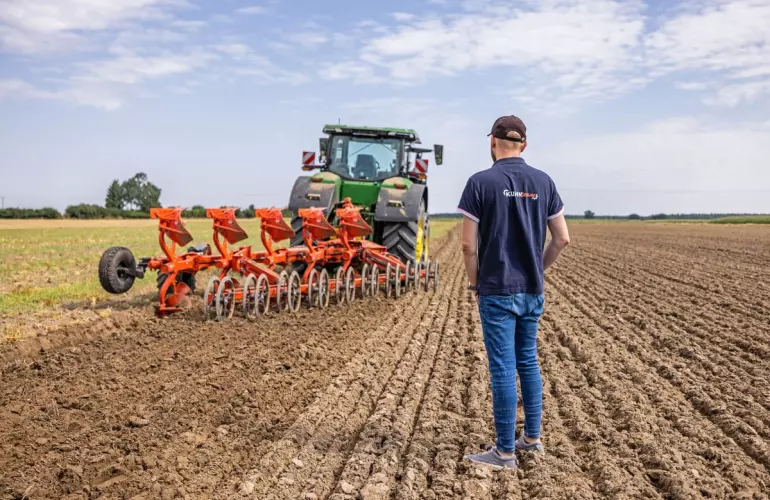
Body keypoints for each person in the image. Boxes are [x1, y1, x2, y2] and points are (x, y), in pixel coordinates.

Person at [458, 115, 571, 469]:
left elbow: (466, 246)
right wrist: (537, 270)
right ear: (524, 145)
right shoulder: (544, 181)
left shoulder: (480, 183)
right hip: (531, 290)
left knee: (503, 367)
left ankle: (505, 451)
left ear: (492, 142)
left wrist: (476, 283)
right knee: (528, 361)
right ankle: (532, 439)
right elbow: (562, 238)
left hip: (496, 290)